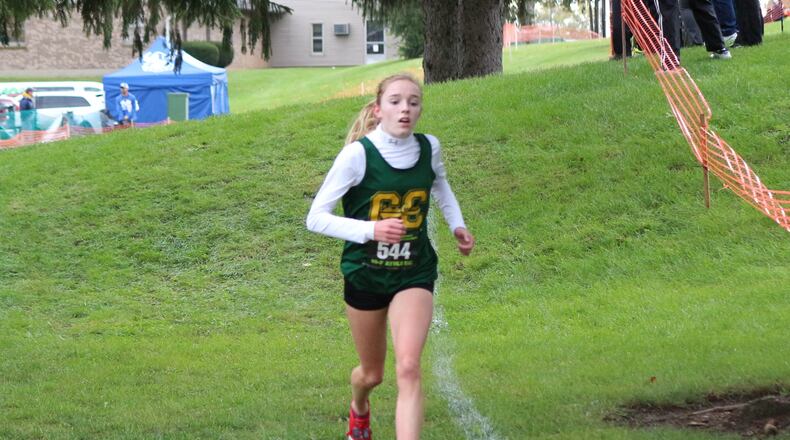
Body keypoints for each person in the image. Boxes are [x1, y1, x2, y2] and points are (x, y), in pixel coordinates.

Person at [306, 73, 475, 440]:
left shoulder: (429, 147)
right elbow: (315, 218)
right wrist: (371, 230)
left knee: (410, 367)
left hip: (413, 273)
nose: (405, 109)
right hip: (365, 275)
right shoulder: (357, 155)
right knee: (372, 375)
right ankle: (359, 408)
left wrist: (456, 225)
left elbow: (439, 183)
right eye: (396, 101)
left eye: (413, 102)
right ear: (377, 109)